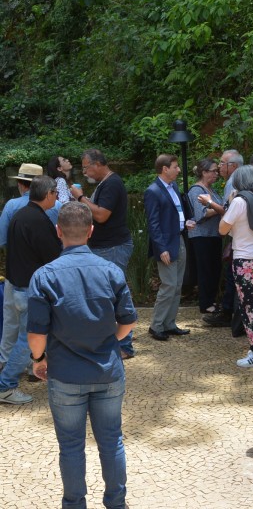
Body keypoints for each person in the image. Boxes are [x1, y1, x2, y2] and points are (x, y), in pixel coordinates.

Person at [27, 202, 137, 509]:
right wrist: (109, 341)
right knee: (111, 441)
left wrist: (39, 360)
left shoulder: (44, 276)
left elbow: (36, 336)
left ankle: (74, 504)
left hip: (65, 374)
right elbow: (128, 321)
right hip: (107, 372)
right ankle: (116, 503)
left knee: (71, 446)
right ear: (90, 231)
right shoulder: (112, 271)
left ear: (58, 231)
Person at [0, 176, 62, 404]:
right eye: (56, 194)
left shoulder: (20, 215)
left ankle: (42, 371)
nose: (57, 198)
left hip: (17, 286)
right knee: (27, 341)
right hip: (29, 291)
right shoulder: (37, 220)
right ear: (48, 194)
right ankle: (5, 386)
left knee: (25, 338)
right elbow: (53, 257)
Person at [69, 150, 135, 359]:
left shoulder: (112, 183)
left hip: (113, 247)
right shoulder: (106, 183)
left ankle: (124, 345)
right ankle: (116, 340)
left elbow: (101, 215)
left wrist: (80, 198)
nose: (85, 171)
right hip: (107, 246)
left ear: (98, 164)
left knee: (114, 295)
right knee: (109, 294)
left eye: (86, 167)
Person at [219, 165, 253, 367]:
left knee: (250, 306)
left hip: (246, 260)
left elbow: (222, 229)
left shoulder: (240, 201)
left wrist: (231, 203)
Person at [144, 154, 194, 341]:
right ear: (165, 169)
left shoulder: (174, 186)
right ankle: (156, 325)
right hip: (166, 245)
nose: (178, 170)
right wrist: (161, 248)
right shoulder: (153, 191)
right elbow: (153, 223)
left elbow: (174, 213)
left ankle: (169, 324)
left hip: (179, 239)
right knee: (169, 285)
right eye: (175, 166)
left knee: (177, 285)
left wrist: (184, 223)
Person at [203, 149, 244, 328]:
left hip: (236, 235)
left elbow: (228, 212)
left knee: (231, 273)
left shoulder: (233, 182)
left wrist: (209, 204)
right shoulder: (241, 180)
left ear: (232, 166)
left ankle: (228, 312)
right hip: (242, 236)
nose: (218, 167)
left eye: (221, 163)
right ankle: (230, 311)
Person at [188, 159, 225, 314]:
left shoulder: (212, 191)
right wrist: (220, 208)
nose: (216, 174)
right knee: (205, 270)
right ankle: (206, 304)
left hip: (214, 235)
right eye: (213, 171)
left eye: (217, 171)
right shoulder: (196, 190)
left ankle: (212, 301)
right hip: (202, 236)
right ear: (204, 172)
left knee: (214, 269)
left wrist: (215, 206)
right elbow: (201, 214)